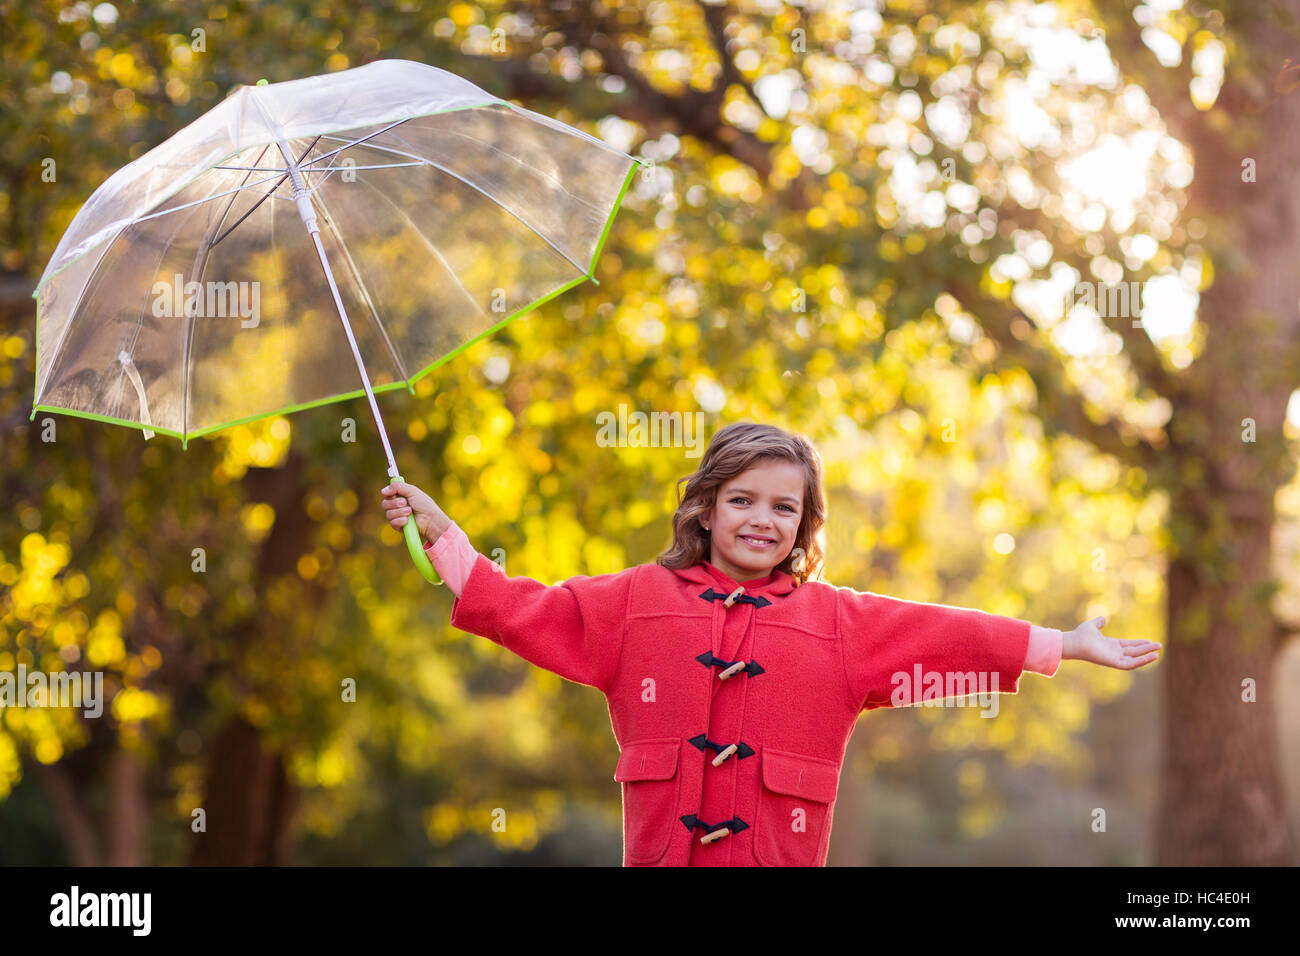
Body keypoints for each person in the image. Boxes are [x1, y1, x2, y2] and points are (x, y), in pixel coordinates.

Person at [379, 422, 1161, 866]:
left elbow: (948, 634)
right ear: (706, 511)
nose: (762, 519)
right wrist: (445, 538)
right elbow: (526, 609)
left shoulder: (840, 622)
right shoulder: (635, 603)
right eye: (742, 499)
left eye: (784, 508)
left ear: (803, 526)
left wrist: (1062, 642)